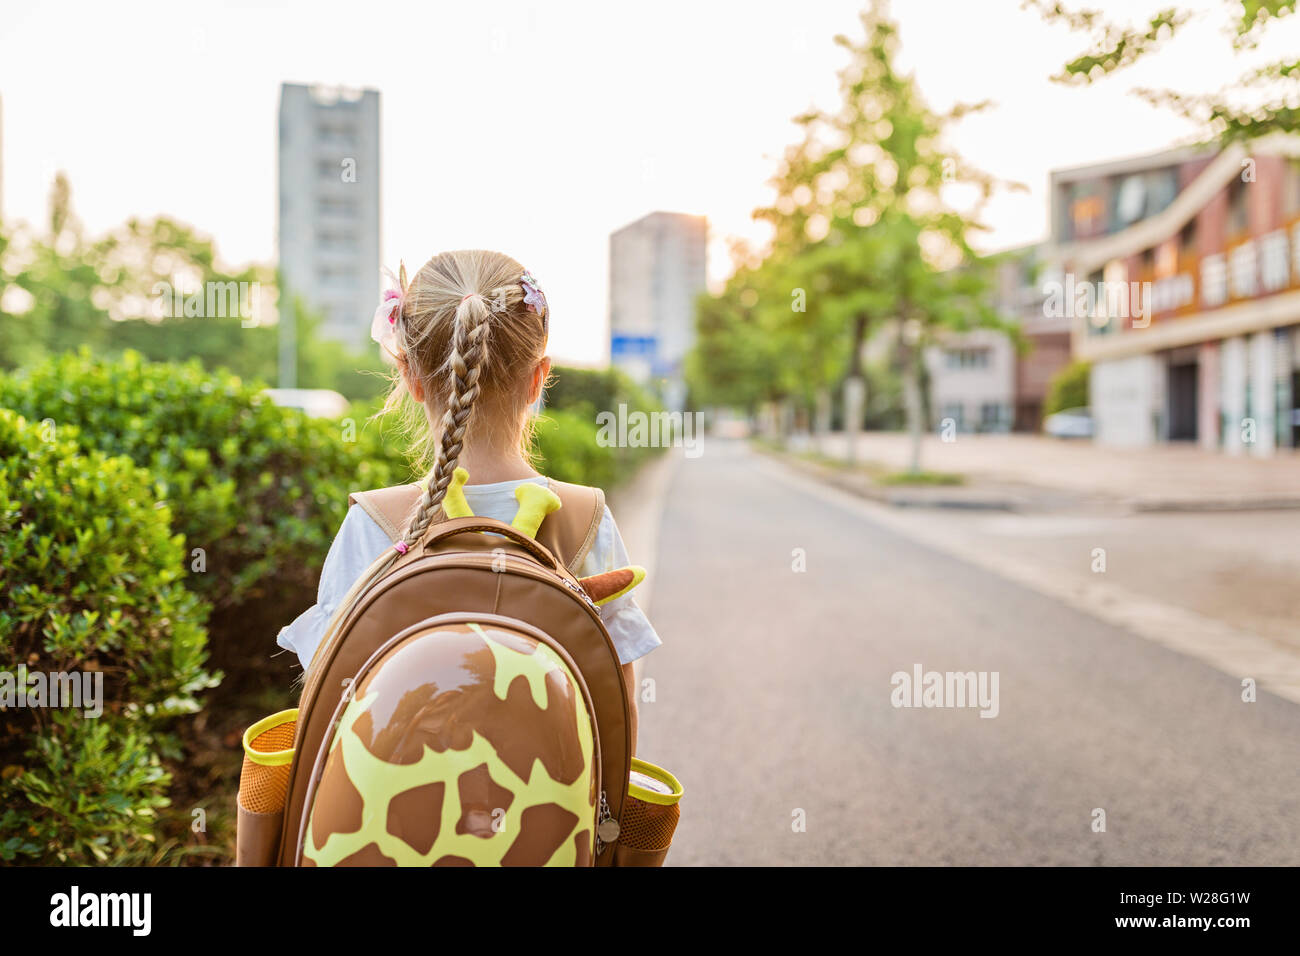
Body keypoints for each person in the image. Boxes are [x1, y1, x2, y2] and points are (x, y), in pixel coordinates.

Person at [276, 249, 660, 746]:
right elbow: (618, 708)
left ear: (411, 378)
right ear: (538, 379)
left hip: (399, 816)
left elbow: (324, 713)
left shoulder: (375, 524)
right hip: (549, 811)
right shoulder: (586, 519)